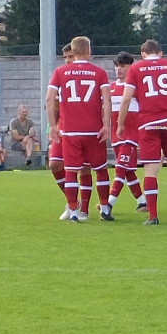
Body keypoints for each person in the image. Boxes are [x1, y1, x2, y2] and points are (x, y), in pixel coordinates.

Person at [117, 39, 167, 225]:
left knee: (151, 169)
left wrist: (120, 124)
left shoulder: (136, 68)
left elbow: (126, 99)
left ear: (142, 54)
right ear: (160, 53)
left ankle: (153, 216)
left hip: (148, 123)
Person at [46, 36, 112, 223]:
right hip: (93, 130)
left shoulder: (60, 72)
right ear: (89, 51)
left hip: (70, 131)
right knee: (100, 169)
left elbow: (49, 99)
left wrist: (52, 126)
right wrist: (106, 125)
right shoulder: (99, 72)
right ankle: (105, 208)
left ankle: (75, 211)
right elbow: (106, 100)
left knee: (71, 171)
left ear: (73, 52)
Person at [48, 43, 93, 220]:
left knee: (84, 168)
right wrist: (52, 126)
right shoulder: (61, 76)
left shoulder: (90, 75)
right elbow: (52, 104)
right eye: (65, 57)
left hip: (85, 127)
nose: (68, 60)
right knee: (54, 164)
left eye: (71, 56)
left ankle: (84, 210)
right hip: (64, 128)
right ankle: (72, 201)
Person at [105, 52, 147, 215]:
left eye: (122, 66)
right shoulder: (111, 87)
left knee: (120, 168)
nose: (119, 69)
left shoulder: (136, 87)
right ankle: (142, 202)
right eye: (116, 66)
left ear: (131, 67)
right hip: (116, 136)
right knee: (128, 171)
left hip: (130, 136)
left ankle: (108, 204)